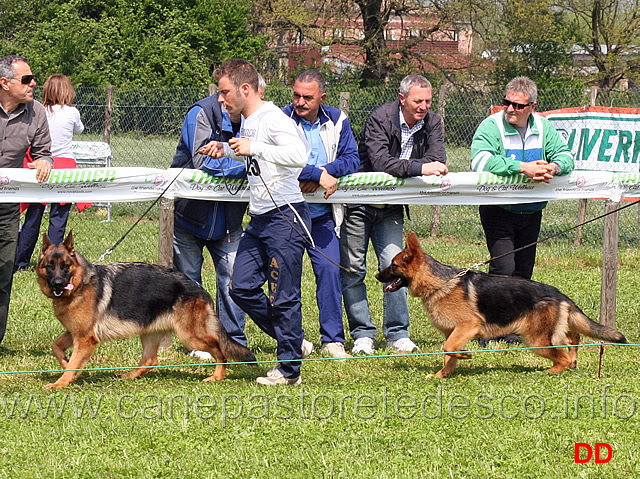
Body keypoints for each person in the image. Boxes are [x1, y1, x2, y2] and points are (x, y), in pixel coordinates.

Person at [199, 59, 311, 386]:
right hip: (260, 218)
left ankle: (289, 372)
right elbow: (254, 155)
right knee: (242, 287)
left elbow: (298, 155)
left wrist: (254, 147)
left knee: (284, 295)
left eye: (224, 92)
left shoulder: (272, 118)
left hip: (285, 218)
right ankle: (292, 340)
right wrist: (225, 149)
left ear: (245, 89)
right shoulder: (247, 120)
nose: (220, 99)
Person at [340, 74, 448, 355]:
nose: (424, 106)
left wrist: (411, 166)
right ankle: (362, 334)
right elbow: (380, 162)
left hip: (392, 207)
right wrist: (420, 168)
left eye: (427, 100)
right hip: (359, 203)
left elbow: (439, 159)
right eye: (417, 101)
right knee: (353, 270)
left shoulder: (433, 121)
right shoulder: (380, 118)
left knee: (398, 267)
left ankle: (397, 334)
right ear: (402, 99)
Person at [470, 76, 574, 344]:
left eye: (518, 105)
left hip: (532, 211)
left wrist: (554, 167)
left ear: (532, 106)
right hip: (498, 209)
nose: (511, 109)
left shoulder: (544, 126)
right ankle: (489, 329)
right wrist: (521, 167)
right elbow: (480, 161)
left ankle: (512, 327)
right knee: (503, 270)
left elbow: (565, 156)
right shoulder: (491, 126)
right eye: (507, 103)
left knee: (523, 275)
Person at [282, 70, 359, 359]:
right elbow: (275, 160)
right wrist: (315, 173)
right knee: (288, 279)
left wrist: (326, 173)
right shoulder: (280, 119)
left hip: (324, 217)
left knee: (329, 273)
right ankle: (294, 340)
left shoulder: (338, 120)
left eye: (307, 97)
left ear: (322, 98)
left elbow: (352, 159)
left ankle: (333, 341)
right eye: (296, 95)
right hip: (287, 213)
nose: (299, 102)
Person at [170, 84, 248, 350]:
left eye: (226, 92)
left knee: (233, 282)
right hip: (189, 217)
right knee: (189, 285)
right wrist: (249, 163)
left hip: (229, 222)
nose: (221, 98)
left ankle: (233, 340)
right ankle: (197, 343)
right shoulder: (200, 113)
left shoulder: (254, 119)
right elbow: (203, 162)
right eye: (221, 92)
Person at [0, 55, 53, 343]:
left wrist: (45, 162)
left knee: (3, 274)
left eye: (33, 78)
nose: (34, 83)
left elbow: (45, 151)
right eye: (26, 79)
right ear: (4, 83)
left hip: (7, 208)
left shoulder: (37, 112)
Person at [14, 74, 84, 271]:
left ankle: (21, 261)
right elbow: (79, 129)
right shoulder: (72, 112)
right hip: (65, 168)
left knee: (33, 216)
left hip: (41, 166)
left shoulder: (37, 111)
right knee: (58, 217)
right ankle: (53, 259)